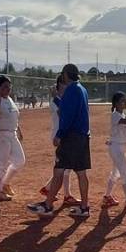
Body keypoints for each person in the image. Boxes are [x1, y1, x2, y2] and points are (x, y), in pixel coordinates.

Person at [28, 63, 92, 218]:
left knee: (58, 171)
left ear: (65, 75)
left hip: (71, 137)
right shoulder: (81, 89)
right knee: (81, 173)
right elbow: (70, 108)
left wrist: (59, 135)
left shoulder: (71, 90)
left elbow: (66, 115)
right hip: (83, 136)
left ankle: (48, 205)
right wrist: (56, 99)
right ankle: (84, 207)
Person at [0, 76, 26, 202]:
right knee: (0, 163)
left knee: (20, 160)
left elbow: (14, 117)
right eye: (4, 87)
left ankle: (5, 183)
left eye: (9, 86)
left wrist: (18, 130)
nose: (8, 89)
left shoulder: (10, 100)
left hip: (12, 134)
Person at [41, 75, 77, 206]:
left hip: (65, 135)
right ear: (59, 86)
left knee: (66, 167)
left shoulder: (63, 99)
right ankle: (65, 195)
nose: (67, 86)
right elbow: (63, 115)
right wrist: (56, 96)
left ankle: (49, 188)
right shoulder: (55, 101)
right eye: (64, 84)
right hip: (59, 136)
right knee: (64, 167)